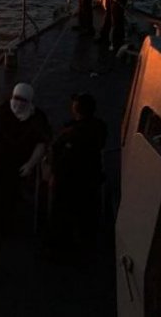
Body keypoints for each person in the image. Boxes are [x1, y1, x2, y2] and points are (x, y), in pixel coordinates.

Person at [0, 83, 52, 266]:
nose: (17, 103)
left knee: (10, 199)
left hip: (18, 168)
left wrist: (30, 164)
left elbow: (42, 144)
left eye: (22, 100)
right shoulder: (1, 109)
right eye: (15, 98)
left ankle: (7, 222)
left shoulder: (37, 118)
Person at [47, 93, 107, 260]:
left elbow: (61, 157)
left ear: (76, 109)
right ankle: (86, 247)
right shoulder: (100, 127)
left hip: (71, 182)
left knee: (60, 215)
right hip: (92, 179)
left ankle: (58, 250)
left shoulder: (72, 134)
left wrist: (54, 176)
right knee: (87, 216)